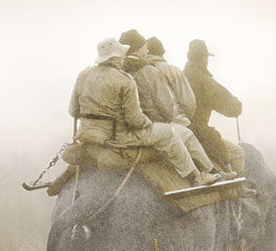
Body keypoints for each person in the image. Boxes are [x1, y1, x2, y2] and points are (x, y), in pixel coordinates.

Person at [69, 37, 220, 186]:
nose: (123, 58)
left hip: (88, 134)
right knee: (168, 132)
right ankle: (197, 176)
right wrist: (148, 123)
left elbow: (73, 110)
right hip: (119, 137)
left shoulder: (83, 74)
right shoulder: (124, 80)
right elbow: (134, 120)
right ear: (114, 58)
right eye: (121, 54)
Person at [117, 29, 225, 180]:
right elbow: (167, 107)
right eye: (144, 46)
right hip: (150, 124)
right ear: (138, 48)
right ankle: (207, 173)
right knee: (189, 134)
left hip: (124, 125)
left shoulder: (119, 70)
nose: (146, 50)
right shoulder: (149, 71)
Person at [183, 39, 246, 173]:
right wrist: (237, 105)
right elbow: (231, 107)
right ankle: (238, 190)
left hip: (181, 129)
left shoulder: (181, 75)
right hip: (199, 132)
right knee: (238, 152)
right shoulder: (204, 80)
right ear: (204, 58)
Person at [146, 36, 196, 127]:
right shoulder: (173, 70)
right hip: (176, 124)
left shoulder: (140, 70)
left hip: (147, 125)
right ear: (162, 52)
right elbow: (189, 104)